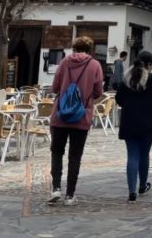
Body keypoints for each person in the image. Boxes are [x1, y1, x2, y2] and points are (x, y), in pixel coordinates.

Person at [48, 36, 104, 206]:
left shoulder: (64, 62)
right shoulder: (95, 65)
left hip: (60, 115)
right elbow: (98, 92)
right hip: (81, 116)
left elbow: (55, 88)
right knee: (75, 156)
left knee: (57, 152)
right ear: (90, 48)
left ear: (74, 47)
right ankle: (70, 195)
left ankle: (56, 188)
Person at [116, 50, 152, 202]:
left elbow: (119, 100)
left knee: (132, 155)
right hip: (148, 123)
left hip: (129, 122)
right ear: (150, 64)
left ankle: (131, 191)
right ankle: (142, 186)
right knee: (144, 154)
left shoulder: (126, 79)